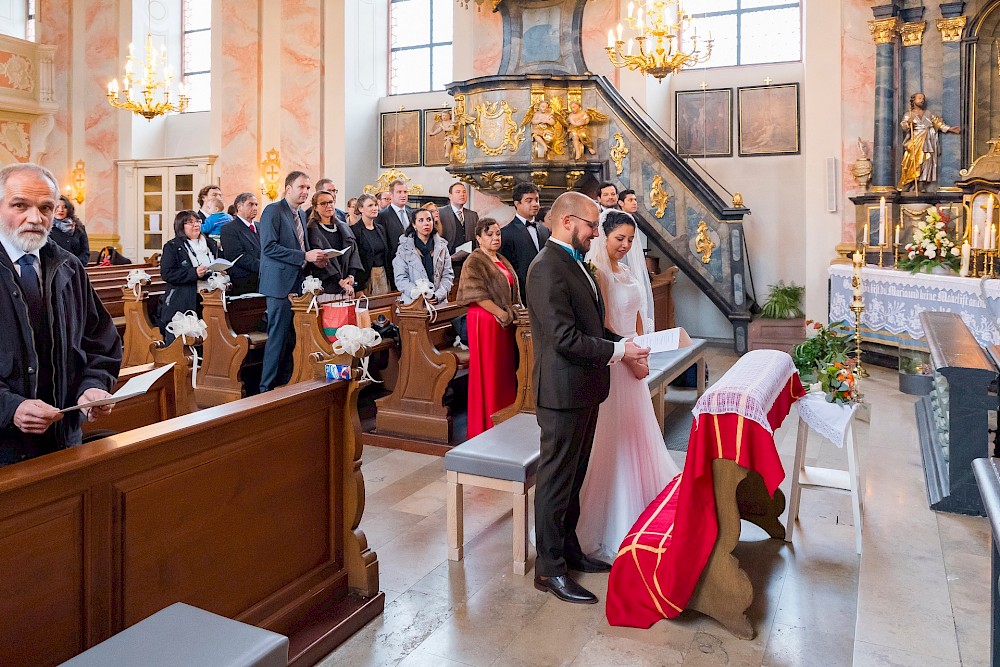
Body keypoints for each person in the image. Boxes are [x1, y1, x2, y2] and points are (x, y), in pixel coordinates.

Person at [526, 191, 649, 604]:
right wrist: (618, 352)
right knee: (555, 482)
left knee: (575, 477)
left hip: (586, 387)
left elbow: (593, 329)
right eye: (592, 225)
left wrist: (624, 345)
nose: (596, 232)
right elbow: (564, 339)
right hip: (561, 392)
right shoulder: (546, 269)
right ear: (567, 222)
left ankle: (570, 549)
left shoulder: (577, 265)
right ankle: (549, 569)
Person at [0, 163, 121, 466]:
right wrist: (9, 407)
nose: (34, 218)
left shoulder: (68, 267)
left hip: (62, 442)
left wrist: (93, 386)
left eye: (45, 208)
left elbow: (100, 343)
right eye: (20, 205)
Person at [576, 210, 678, 559]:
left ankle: (646, 499)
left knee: (639, 431)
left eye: (630, 240)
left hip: (633, 351)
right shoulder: (600, 274)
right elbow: (602, 325)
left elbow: (637, 315)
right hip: (615, 358)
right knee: (614, 435)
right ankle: (615, 514)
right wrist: (627, 351)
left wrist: (645, 344)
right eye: (619, 238)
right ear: (603, 236)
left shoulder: (627, 270)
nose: (625, 245)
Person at [258, 171, 330, 392]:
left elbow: (302, 247)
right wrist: (303, 257)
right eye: (301, 187)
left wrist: (314, 258)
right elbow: (269, 247)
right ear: (288, 188)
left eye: (308, 188)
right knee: (277, 337)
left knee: (294, 337)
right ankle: (265, 388)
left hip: (298, 282)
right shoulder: (273, 211)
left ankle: (287, 383)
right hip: (279, 284)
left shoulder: (299, 214)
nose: (306, 192)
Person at [457, 217, 521, 438]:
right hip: (485, 320)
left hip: (503, 322)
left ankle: (504, 417)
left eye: (497, 234)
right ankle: (485, 423)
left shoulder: (500, 258)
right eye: (489, 235)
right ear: (478, 238)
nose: (495, 238)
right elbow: (476, 295)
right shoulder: (474, 261)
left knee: (503, 371)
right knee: (489, 372)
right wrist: (501, 313)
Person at [159, 210, 221, 345]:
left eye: (198, 221)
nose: (195, 225)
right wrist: (194, 273)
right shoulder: (173, 246)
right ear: (181, 226)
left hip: (210, 298)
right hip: (183, 300)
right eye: (190, 222)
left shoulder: (210, 243)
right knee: (182, 344)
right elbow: (167, 273)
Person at [899, 92, 960, 192]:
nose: (922, 100)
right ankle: (909, 182)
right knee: (912, 161)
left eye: (923, 98)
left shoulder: (929, 114)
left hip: (928, 140)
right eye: (919, 98)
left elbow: (938, 123)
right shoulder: (909, 114)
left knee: (927, 162)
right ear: (913, 100)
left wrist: (950, 129)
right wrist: (908, 123)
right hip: (915, 141)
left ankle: (921, 184)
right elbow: (904, 126)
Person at [307, 189, 363, 297]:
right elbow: (318, 261)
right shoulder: (312, 230)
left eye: (331, 202)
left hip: (347, 284)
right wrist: (339, 281)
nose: (329, 206)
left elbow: (353, 253)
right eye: (323, 203)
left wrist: (351, 276)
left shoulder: (343, 227)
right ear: (315, 207)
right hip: (326, 286)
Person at [393, 208, 453, 305]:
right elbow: (401, 279)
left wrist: (437, 295)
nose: (426, 223)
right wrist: (419, 294)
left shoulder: (442, 247)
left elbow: (448, 276)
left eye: (429, 219)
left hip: (438, 302)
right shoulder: (403, 248)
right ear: (414, 224)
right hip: (413, 303)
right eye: (421, 220)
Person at [500, 182, 546, 302]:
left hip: (545, 291)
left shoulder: (544, 229)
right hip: (522, 294)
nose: (535, 204)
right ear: (517, 203)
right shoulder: (506, 233)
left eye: (536, 200)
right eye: (529, 200)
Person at [220, 192, 262, 295]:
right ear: (239, 206)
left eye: (256, 204)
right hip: (244, 282)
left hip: (264, 280)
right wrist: (264, 267)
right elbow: (237, 256)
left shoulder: (261, 226)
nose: (255, 208)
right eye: (250, 204)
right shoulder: (229, 228)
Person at [376, 179, 414, 286]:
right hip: (393, 266)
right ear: (391, 195)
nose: (403, 195)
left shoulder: (412, 213)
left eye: (405, 192)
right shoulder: (382, 216)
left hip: (412, 265)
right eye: (399, 192)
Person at [351, 194, 391, 296]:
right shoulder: (354, 230)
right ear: (361, 208)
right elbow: (355, 260)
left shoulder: (380, 229)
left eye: (375, 205)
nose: (374, 208)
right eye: (370, 206)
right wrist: (358, 287)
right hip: (365, 279)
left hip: (382, 276)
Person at [439, 182, 478, 256]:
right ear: (450, 196)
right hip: (448, 258)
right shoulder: (441, 213)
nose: (462, 194)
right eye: (458, 192)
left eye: (464, 192)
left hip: (468, 259)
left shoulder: (473, 215)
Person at [50, 194, 91, 265]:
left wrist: (76, 265)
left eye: (64, 207)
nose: (61, 210)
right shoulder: (47, 229)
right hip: (56, 269)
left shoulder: (79, 227)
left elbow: (85, 252)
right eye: (57, 207)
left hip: (77, 268)